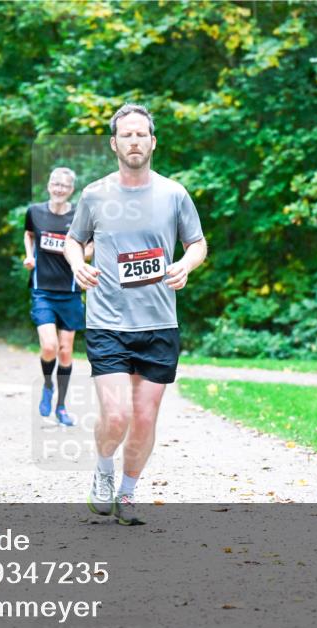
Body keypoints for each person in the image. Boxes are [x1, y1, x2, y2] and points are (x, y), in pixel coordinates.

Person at [64, 103, 207, 526]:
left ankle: (127, 493)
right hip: (107, 322)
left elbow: (197, 243)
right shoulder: (94, 194)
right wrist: (77, 264)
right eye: (126, 135)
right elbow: (74, 240)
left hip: (159, 323)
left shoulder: (174, 194)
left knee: (144, 418)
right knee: (117, 415)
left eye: (141, 134)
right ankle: (103, 470)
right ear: (114, 143)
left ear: (153, 142)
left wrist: (186, 264)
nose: (134, 141)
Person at [23, 167, 92, 427]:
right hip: (42, 290)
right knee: (49, 346)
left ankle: (61, 406)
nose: (59, 188)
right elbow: (29, 234)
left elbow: (92, 243)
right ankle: (47, 385)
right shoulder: (35, 212)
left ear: (71, 190)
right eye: (55, 184)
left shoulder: (79, 216)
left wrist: (79, 255)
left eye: (64, 185)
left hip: (70, 291)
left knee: (65, 352)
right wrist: (29, 256)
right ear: (49, 185)